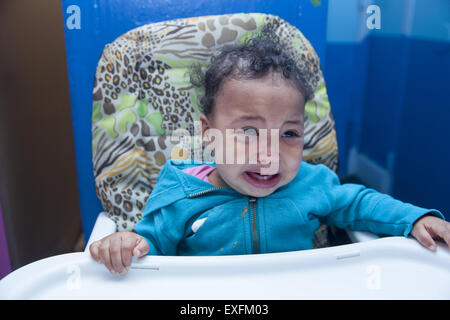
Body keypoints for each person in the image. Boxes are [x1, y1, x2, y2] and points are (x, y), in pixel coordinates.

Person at [90, 30, 449, 276]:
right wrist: (128, 244)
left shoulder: (312, 183)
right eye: (248, 131)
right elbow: (149, 248)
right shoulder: (179, 194)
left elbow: (360, 204)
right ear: (208, 134)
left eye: (289, 133)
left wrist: (415, 219)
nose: (270, 155)